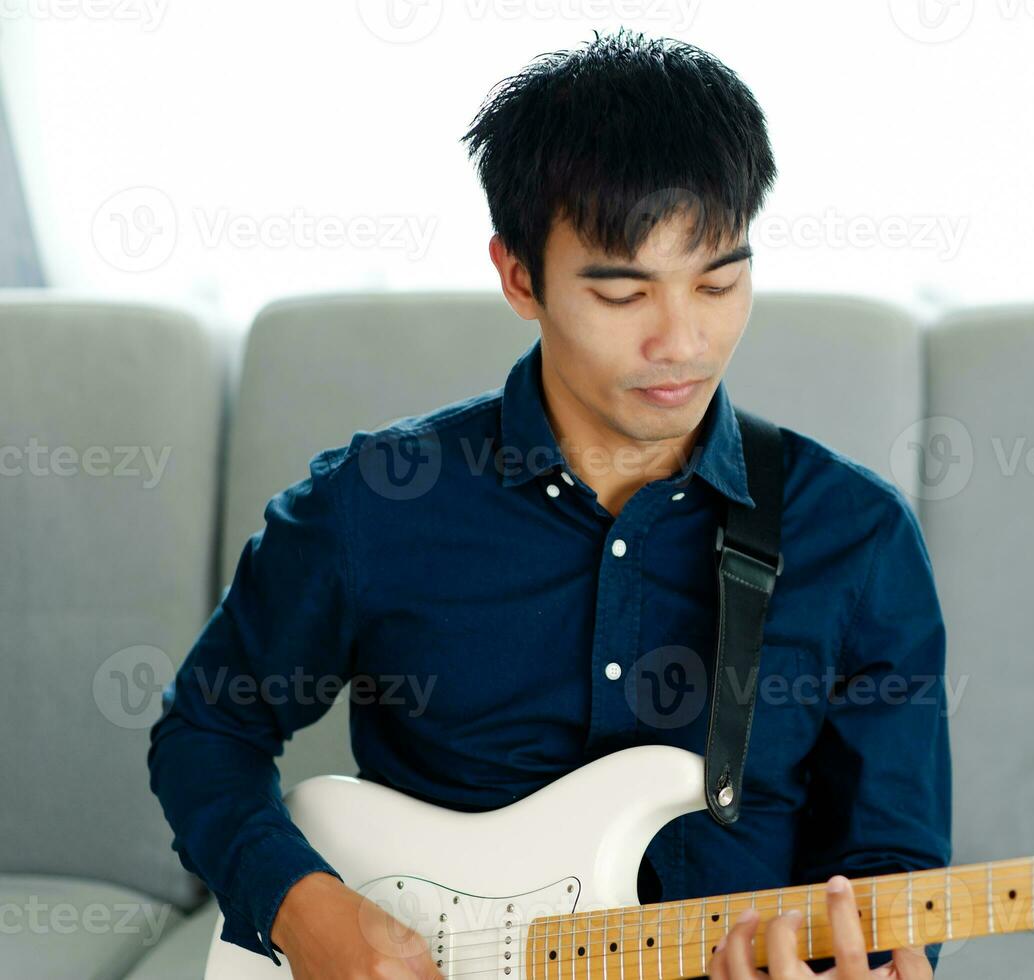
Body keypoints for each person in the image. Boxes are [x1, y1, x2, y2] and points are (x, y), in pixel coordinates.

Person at [148, 27, 951, 979]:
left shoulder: (854, 535)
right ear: (519, 276)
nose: (682, 342)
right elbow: (208, 727)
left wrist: (872, 964)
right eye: (623, 295)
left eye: (720, 281)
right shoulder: (372, 505)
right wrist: (301, 905)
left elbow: (891, 867)